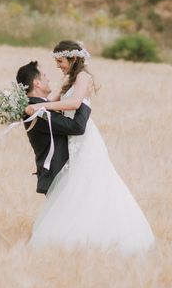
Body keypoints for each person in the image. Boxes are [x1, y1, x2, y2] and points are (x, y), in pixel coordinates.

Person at [23, 40, 155, 254]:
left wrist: (40, 106)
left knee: (91, 182)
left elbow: (74, 104)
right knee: (73, 184)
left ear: (73, 59)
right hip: (72, 140)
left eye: (60, 61)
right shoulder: (68, 78)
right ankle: (72, 234)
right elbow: (52, 99)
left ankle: (101, 235)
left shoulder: (84, 77)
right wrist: (25, 102)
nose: (58, 66)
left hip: (84, 139)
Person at [16, 61, 92, 195]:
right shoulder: (38, 113)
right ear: (37, 83)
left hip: (64, 177)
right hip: (58, 178)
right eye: (44, 76)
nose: (48, 79)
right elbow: (77, 127)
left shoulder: (40, 106)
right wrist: (84, 99)